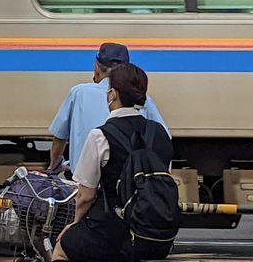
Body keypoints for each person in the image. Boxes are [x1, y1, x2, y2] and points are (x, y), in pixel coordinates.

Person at [27, 64, 174, 262]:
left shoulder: (101, 135)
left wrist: (74, 227)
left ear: (112, 95)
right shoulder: (159, 134)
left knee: (64, 249)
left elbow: (85, 196)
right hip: (157, 232)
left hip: (115, 232)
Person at [48, 42, 169, 174]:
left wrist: (54, 164)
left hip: (83, 182)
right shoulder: (143, 100)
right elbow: (163, 139)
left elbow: (60, 137)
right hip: (129, 183)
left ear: (96, 67)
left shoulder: (78, 93)